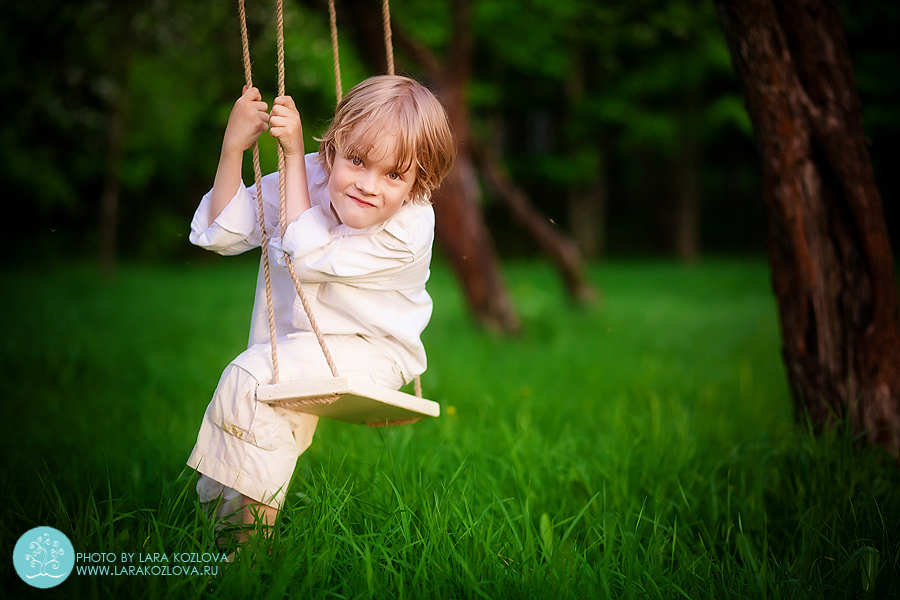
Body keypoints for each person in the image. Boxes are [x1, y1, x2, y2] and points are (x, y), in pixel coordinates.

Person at [186, 75, 455, 546]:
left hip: (373, 353)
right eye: (357, 160)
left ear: (417, 183)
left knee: (251, 379)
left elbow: (304, 255)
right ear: (332, 150)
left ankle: (245, 556)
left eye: (394, 174)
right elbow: (226, 233)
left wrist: (290, 156)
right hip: (299, 345)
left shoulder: (412, 226)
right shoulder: (313, 173)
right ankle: (219, 546)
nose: (369, 186)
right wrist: (233, 149)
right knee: (253, 413)